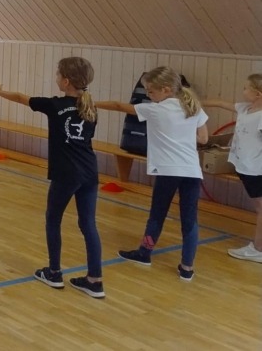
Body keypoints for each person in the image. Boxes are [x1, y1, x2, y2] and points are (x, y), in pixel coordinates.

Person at [0, 58, 105, 297]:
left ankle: (54, 272)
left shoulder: (55, 105)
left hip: (66, 173)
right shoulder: (90, 108)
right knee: (88, 224)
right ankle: (95, 280)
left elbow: (21, 98)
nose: (56, 78)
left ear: (66, 81)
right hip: (90, 172)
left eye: (57, 75)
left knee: (53, 219)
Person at [98, 66, 208, 281]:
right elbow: (203, 139)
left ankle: (144, 252)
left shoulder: (155, 109)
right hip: (192, 171)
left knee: (157, 213)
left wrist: (92, 103)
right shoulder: (193, 107)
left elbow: (118, 106)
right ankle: (187, 267)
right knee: (190, 220)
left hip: (168, 170)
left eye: (150, 91)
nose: (148, 95)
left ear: (166, 89)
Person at [202, 73, 262, 263]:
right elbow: (220, 103)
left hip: (255, 169)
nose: (243, 91)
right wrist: (194, 102)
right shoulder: (245, 108)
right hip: (243, 165)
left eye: (246, 88)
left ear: (258, 94)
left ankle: (258, 248)